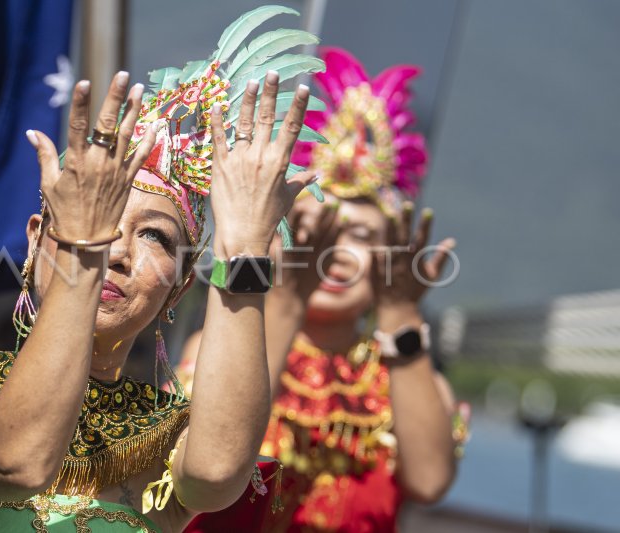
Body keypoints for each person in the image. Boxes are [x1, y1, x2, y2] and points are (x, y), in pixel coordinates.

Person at [0, 7, 326, 532]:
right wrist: (84, 250)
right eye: (97, 219)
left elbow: (218, 475)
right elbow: (15, 459)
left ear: (179, 289)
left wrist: (244, 249)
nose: (117, 249)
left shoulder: (163, 441)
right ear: (36, 240)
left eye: (154, 235)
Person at [180, 47, 469, 532]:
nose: (332, 252)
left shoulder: (404, 376)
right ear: (276, 235)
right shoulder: (222, 348)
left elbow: (430, 480)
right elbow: (211, 462)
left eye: (358, 236)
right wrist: (287, 300)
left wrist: (399, 317)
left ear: (391, 253)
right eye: (313, 229)